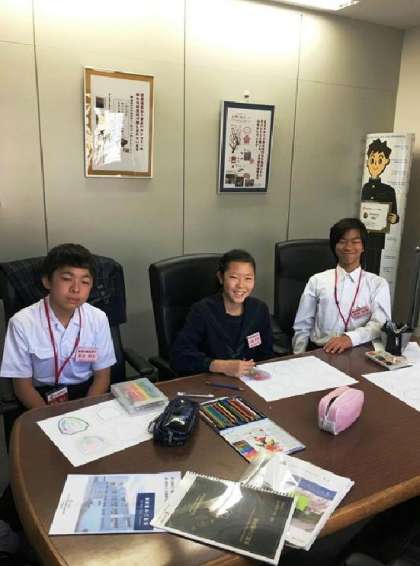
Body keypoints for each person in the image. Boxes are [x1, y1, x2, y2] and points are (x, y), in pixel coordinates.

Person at [0, 243, 116, 409]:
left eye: (85, 281)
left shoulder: (98, 318)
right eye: (67, 279)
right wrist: (49, 417)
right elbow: (22, 386)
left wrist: (85, 414)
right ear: (47, 281)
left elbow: (102, 377)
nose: (76, 289)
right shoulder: (21, 322)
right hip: (39, 398)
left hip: (88, 393)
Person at [292, 218, 391, 355]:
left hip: (359, 352)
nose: (348, 247)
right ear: (334, 246)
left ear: (363, 246)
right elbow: (302, 326)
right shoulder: (317, 281)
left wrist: (350, 338)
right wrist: (299, 357)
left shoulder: (378, 284)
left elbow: (380, 324)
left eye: (355, 242)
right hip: (321, 351)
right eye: (342, 241)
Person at [170, 249, 274, 377]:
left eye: (248, 278)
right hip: (210, 381)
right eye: (234, 277)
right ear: (221, 277)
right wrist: (222, 366)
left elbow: (267, 354)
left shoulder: (259, 310)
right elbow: (179, 355)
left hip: (251, 381)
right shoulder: (202, 311)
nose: (241, 285)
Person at [360, 138, 399, 274]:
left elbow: (395, 215)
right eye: (372, 160)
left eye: (380, 160)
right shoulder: (364, 187)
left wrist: (393, 218)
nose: (375, 165)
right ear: (367, 162)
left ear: (386, 161)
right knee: (360, 268)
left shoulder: (389, 190)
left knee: (374, 269)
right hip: (362, 236)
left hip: (378, 238)